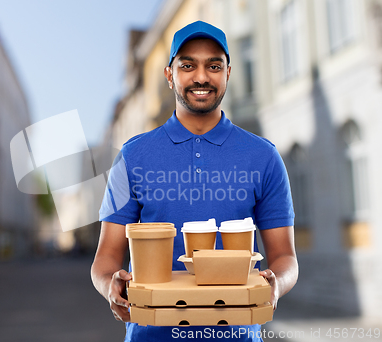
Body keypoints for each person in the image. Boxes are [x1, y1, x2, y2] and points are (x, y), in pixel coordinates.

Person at [91, 21, 298, 342]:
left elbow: (285, 257)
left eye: (213, 65)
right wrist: (110, 285)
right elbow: (106, 256)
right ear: (169, 74)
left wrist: (276, 284)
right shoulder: (133, 156)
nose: (201, 77)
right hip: (151, 335)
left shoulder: (263, 156)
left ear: (228, 73)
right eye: (188, 65)